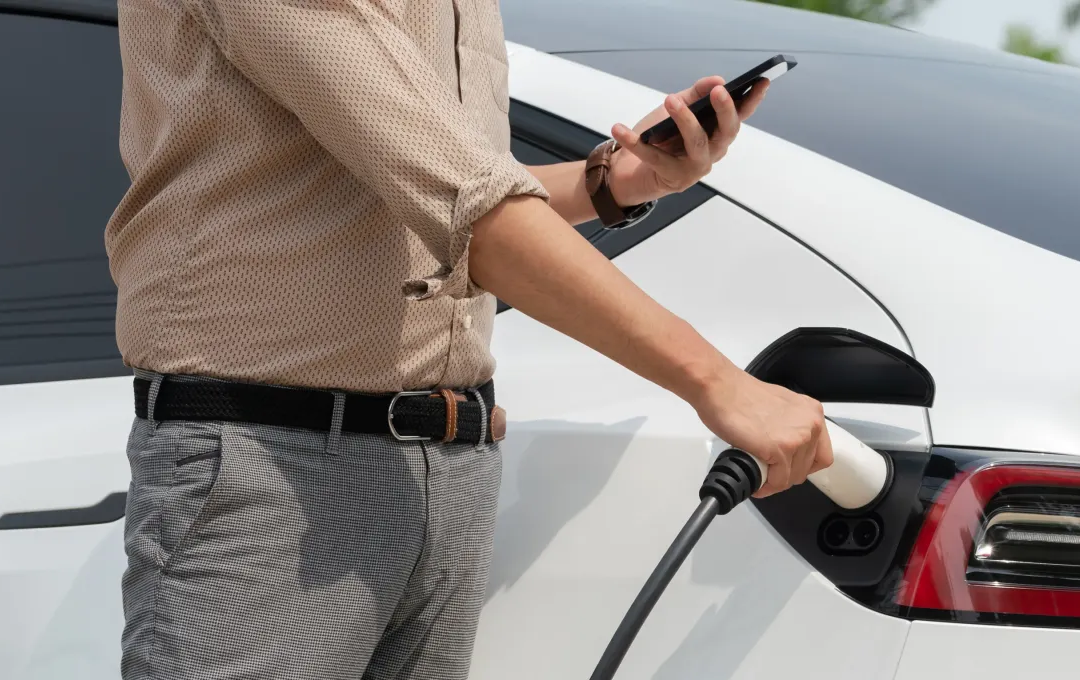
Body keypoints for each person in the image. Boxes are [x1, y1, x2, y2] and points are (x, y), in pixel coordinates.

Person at [104, 0, 832, 677]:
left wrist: (610, 182)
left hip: (452, 465)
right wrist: (718, 381)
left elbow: (435, 176)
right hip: (270, 463)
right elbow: (471, 205)